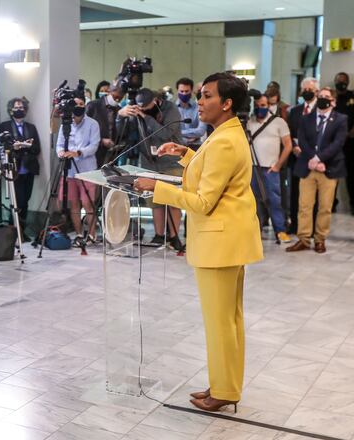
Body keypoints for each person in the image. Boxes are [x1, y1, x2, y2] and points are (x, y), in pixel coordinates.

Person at [133, 72, 263, 412]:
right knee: (228, 321)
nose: (200, 102)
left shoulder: (223, 140)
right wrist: (187, 154)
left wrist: (157, 187)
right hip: (229, 239)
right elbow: (215, 173)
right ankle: (224, 384)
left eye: (207, 96)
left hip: (220, 243)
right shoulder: (227, 132)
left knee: (221, 323)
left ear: (227, 103)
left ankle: (224, 390)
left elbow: (204, 201)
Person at [118, 88, 184, 250]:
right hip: (149, 163)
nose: (142, 109)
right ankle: (159, 235)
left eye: (145, 106)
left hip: (171, 162)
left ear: (155, 100)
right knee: (155, 202)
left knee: (173, 202)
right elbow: (123, 135)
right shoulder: (137, 112)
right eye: (140, 106)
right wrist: (121, 116)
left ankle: (174, 237)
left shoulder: (170, 109)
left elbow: (165, 133)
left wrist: (145, 117)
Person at [286, 87, 348, 254]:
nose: (322, 99)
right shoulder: (306, 118)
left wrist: (319, 159)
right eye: (320, 96)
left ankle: (320, 239)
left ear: (333, 101)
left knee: (325, 207)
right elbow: (302, 141)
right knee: (304, 206)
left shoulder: (341, 119)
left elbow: (338, 143)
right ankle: (304, 239)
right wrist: (313, 159)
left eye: (326, 96)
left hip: (328, 168)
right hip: (308, 167)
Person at [248, 94, 293, 243]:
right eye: (257, 105)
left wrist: (278, 165)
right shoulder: (249, 122)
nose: (259, 108)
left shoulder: (279, 122)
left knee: (275, 200)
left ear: (268, 106)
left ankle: (280, 230)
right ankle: (256, 230)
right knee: (253, 201)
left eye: (263, 105)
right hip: (252, 168)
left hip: (270, 169)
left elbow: (288, 145)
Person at [55, 98, 100, 246]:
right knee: (74, 204)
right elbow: (59, 144)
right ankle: (79, 234)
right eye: (76, 104)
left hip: (87, 170)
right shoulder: (65, 124)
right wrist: (61, 152)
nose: (78, 107)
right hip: (70, 171)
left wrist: (78, 153)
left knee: (88, 203)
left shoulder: (92, 124)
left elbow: (94, 146)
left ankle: (92, 235)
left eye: (81, 104)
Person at [0, 97, 41, 240]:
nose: (19, 110)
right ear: (11, 110)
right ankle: (14, 231)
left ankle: (21, 231)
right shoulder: (4, 126)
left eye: (21, 108)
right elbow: (2, 147)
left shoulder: (31, 127)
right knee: (17, 201)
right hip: (14, 169)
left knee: (26, 200)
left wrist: (25, 146)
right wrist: (16, 146)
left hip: (29, 169)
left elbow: (36, 149)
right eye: (16, 108)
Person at [286, 77, 319, 234]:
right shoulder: (295, 111)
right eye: (304, 90)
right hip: (296, 157)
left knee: (313, 195)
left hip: (314, 157)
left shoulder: (321, 109)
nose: (307, 92)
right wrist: (294, 146)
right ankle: (295, 225)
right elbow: (290, 132)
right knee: (295, 193)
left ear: (316, 91)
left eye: (310, 90)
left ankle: (311, 228)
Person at [333, 72, 354, 216]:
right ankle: (331, 204)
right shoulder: (331, 97)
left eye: (344, 81)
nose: (341, 83)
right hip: (333, 142)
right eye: (339, 80)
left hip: (350, 142)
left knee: (353, 175)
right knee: (331, 174)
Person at [86, 80, 124, 167]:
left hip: (112, 154)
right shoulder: (93, 106)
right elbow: (84, 130)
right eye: (115, 95)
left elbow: (120, 132)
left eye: (120, 96)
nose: (117, 98)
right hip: (94, 152)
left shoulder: (119, 109)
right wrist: (101, 140)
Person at [175, 77, 207, 148]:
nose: (184, 93)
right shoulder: (172, 109)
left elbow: (201, 131)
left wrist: (179, 133)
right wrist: (189, 138)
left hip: (196, 146)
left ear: (191, 91)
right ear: (177, 91)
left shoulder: (199, 107)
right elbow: (169, 132)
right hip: (176, 146)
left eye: (187, 91)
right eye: (181, 91)